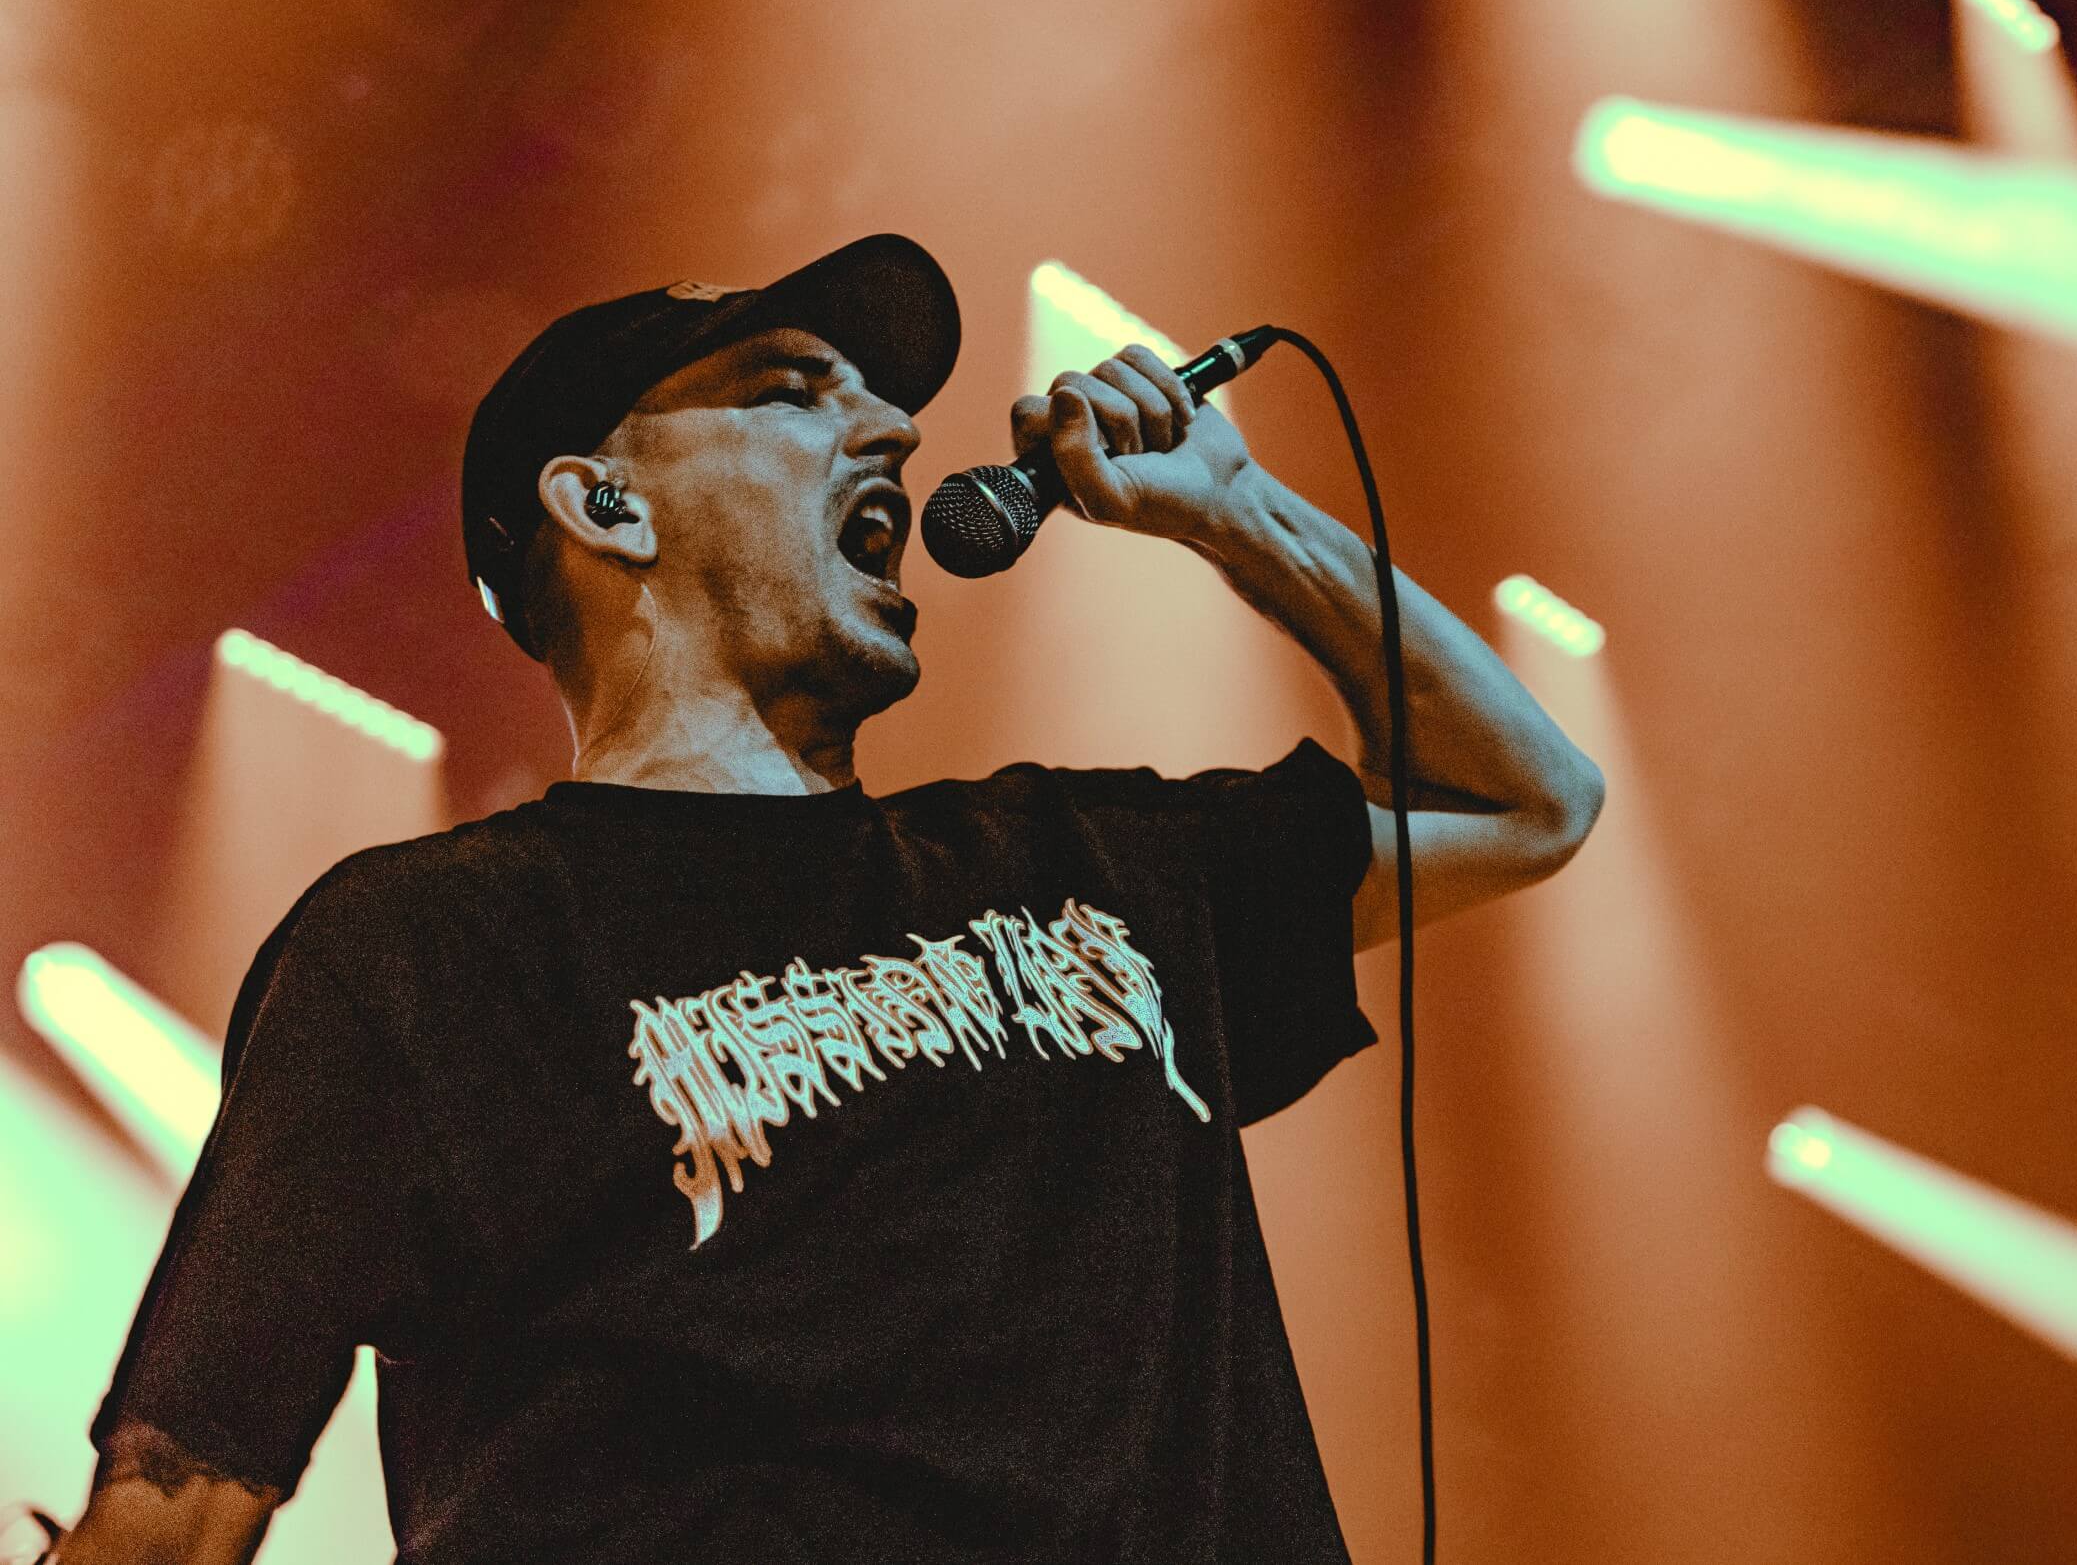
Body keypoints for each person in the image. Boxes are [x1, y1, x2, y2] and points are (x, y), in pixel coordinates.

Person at [51, 234, 1603, 1564]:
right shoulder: (429, 948)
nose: (897, 429)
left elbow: (1526, 801)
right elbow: (177, 1506)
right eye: (796, 391)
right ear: (606, 507)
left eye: (875, 395)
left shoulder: (1098, 865)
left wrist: (1237, 508)